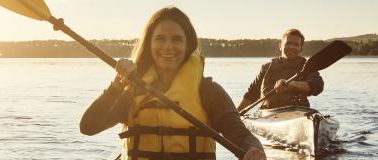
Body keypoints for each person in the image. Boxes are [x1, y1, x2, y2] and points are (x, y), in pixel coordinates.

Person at [79, 7, 265, 160]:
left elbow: (240, 134)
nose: (168, 46)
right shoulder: (130, 91)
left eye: (177, 39)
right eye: (159, 39)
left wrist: (254, 148)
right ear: (149, 44)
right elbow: (88, 127)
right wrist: (116, 86)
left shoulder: (208, 91)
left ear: (188, 45)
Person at [236, 29, 324, 112]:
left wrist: (291, 84)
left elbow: (318, 86)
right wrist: (235, 115)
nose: (291, 47)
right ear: (280, 46)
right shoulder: (266, 67)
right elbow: (251, 94)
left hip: (298, 114)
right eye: (288, 43)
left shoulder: (307, 67)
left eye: (296, 45)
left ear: (301, 49)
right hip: (268, 114)